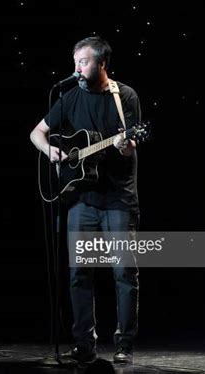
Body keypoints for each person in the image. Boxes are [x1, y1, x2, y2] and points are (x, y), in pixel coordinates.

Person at [30, 36, 140, 364]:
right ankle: (83, 344)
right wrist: (49, 149)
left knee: (124, 273)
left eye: (84, 61)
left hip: (118, 199)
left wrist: (126, 145)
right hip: (80, 199)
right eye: (75, 61)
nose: (77, 67)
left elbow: (132, 142)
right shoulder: (68, 96)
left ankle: (124, 344)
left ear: (102, 63)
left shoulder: (125, 97)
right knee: (79, 273)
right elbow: (37, 132)